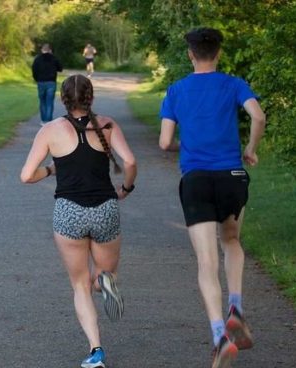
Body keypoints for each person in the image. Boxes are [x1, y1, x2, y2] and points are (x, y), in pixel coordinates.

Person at [158, 27, 266, 368]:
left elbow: (164, 143)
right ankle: (236, 306)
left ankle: (220, 335)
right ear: (218, 53)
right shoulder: (234, 84)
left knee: (207, 262)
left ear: (190, 54)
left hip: (196, 180)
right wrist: (250, 148)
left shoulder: (176, 90)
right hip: (232, 176)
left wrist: (185, 146)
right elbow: (259, 116)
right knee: (232, 242)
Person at [20, 74, 136, 368]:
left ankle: (96, 350)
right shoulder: (107, 125)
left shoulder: (50, 130)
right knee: (102, 276)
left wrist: (51, 170)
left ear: (63, 99)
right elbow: (131, 162)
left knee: (79, 284)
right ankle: (105, 281)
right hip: (105, 208)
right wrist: (126, 188)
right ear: (91, 97)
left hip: (69, 211)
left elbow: (26, 176)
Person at [32, 43, 63, 125]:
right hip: (51, 82)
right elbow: (60, 68)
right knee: (49, 102)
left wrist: (36, 79)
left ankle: (43, 120)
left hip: (41, 82)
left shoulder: (37, 59)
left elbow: (34, 70)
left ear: (42, 50)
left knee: (42, 101)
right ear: (50, 50)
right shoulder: (54, 58)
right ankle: (48, 120)